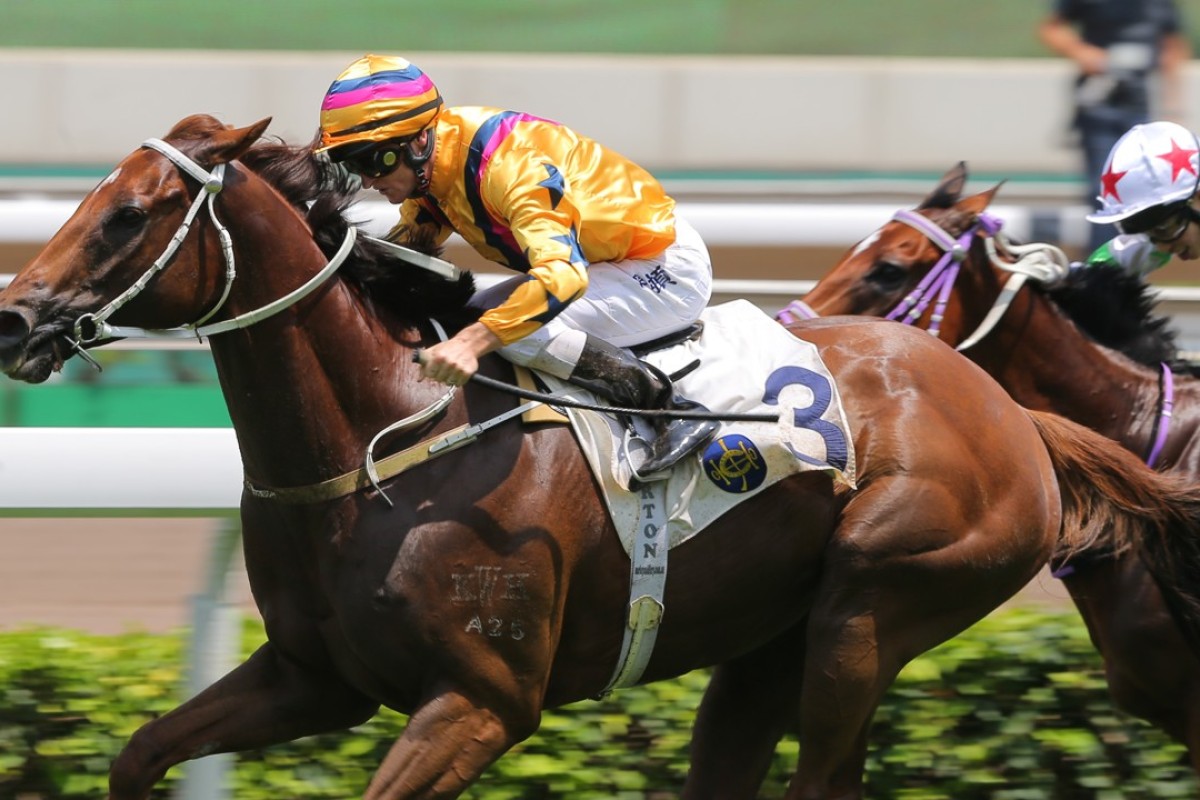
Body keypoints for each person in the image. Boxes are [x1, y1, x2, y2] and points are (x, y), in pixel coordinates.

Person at [315, 54, 718, 475]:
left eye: (372, 161)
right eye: (351, 164)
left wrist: (469, 345)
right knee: (469, 318)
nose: (366, 181)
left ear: (418, 141)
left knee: (506, 333)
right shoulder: (432, 166)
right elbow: (404, 256)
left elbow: (563, 278)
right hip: (606, 264)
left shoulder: (507, 168)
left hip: (661, 269)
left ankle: (670, 410)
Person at [1038, 0, 1191, 253]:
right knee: (1104, 191)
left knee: (1145, 190)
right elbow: (1050, 28)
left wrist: (1172, 106)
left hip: (1140, 103)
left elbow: (1171, 44)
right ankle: (1103, 264)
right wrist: (1084, 54)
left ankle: (1138, 260)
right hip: (1099, 103)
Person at [1084, 120, 1200, 273]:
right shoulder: (1170, 229)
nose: (1162, 248)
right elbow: (1104, 268)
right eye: (1148, 233)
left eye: (1164, 228)